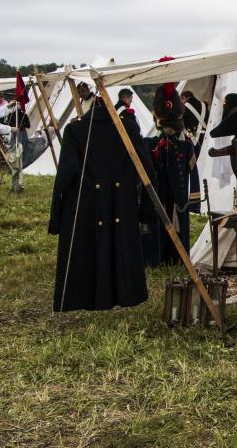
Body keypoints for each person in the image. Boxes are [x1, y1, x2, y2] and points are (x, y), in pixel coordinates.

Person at [49, 96, 157, 311]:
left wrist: (57, 218)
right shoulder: (119, 128)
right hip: (117, 202)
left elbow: (63, 178)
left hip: (87, 204)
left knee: (92, 247)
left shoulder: (76, 130)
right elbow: (148, 173)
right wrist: (146, 213)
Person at [141, 84, 200, 265]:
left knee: (177, 227)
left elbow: (193, 172)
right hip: (158, 194)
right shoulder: (149, 144)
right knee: (156, 226)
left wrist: (194, 202)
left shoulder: (186, 145)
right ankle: (156, 259)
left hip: (178, 198)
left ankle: (176, 259)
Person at [180, 90, 208, 157]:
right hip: (207, 135)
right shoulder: (204, 104)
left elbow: (182, 125)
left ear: (183, 97)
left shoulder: (184, 108)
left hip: (195, 141)